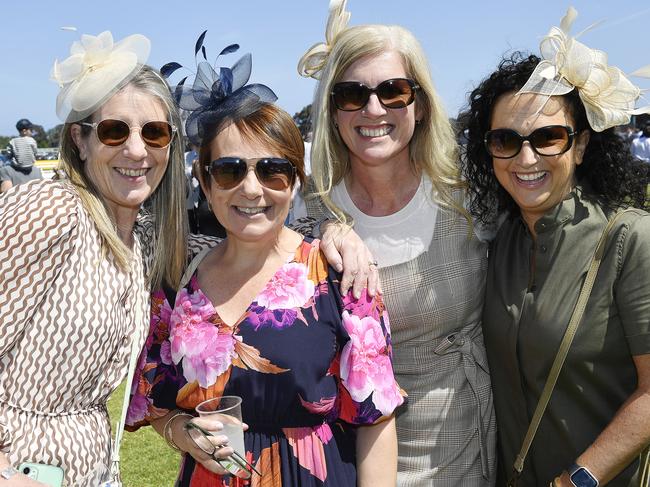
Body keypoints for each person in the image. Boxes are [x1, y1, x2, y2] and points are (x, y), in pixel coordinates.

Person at [126, 46, 404, 486]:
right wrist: (182, 432)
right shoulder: (179, 283)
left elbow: (376, 420)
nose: (251, 189)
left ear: (295, 181)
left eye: (272, 170)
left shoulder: (341, 277)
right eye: (230, 170)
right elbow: (153, 398)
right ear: (205, 179)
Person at [295, 1, 496, 485]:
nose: (373, 109)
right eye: (352, 94)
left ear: (420, 104)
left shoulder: (471, 192)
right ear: (333, 110)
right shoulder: (310, 207)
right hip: (345, 451)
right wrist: (323, 229)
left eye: (393, 91)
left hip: (458, 443)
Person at [460, 8, 650, 486]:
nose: (526, 158)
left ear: (581, 145)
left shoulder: (631, 242)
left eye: (548, 138)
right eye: (506, 140)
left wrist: (577, 479)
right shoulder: (496, 241)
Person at [0, 31, 188, 485]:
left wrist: (330, 228)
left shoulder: (139, 243)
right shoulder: (51, 211)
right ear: (80, 141)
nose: (138, 150)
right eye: (114, 130)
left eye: (155, 132)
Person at [0, 119, 42, 192]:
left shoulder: (12, 142)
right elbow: (35, 153)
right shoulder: (37, 171)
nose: (32, 132)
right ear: (24, 130)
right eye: (30, 129)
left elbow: (8, 155)